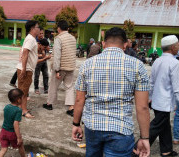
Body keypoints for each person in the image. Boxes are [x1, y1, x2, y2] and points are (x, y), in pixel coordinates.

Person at [72, 27, 150, 157]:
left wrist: (76, 124)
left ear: (103, 44)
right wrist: (145, 138)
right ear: (125, 45)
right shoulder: (137, 65)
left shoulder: (87, 64)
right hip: (121, 129)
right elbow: (142, 107)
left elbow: (80, 99)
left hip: (93, 126)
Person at [140, 35, 179, 157]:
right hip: (165, 102)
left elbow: (151, 82)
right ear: (173, 47)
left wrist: (150, 97)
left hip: (157, 101)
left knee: (164, 126)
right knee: (154, 128)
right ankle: (137, 149)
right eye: (178, 45)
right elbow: (177, 88)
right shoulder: (175, 63)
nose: (178, 47)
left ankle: (166, 151)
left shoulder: (157, 60)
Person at [42, 20, 76, 117]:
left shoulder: (59, 38)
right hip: (70, 66)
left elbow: (57, 56)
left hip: (60, 67)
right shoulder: (73, 38)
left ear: (58, 28)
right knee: (69, 87)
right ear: (68, 28)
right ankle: (71, 108)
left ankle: (49, 104)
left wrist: (56, 70)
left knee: (53, 85)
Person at [17, 20, 40, 118]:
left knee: (22, 90)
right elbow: (25, 52)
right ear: (32, 28)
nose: (39, 29)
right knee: (24, 91)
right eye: (37, 27)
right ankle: (23, 111)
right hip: (26, 69)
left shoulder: (30, 38)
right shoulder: (31, 39)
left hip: (25, 68)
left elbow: (22, 51)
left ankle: (21, 108)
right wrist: (24, 68)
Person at [0, 89, 26, 157]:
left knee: (3, 149)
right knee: (20, 146)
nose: (23, 100)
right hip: (12, 133)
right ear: (18, 100)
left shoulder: (6, 107)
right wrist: (19, 137)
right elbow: (15, 124)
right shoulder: (18, 110)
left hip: (3, 131)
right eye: (22, 98)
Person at [34, 28, 51, 94]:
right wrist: (43, 56)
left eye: (42, 33)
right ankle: (36, 88)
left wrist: (47, 54)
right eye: (40, 33)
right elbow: (35, 56)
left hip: (43, 61)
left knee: (46, 75)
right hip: (38, 62)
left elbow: (48, 49)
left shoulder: (45, 41)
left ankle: (46, 89)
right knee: (37, 75)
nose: (41, 35)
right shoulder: (36, 43)